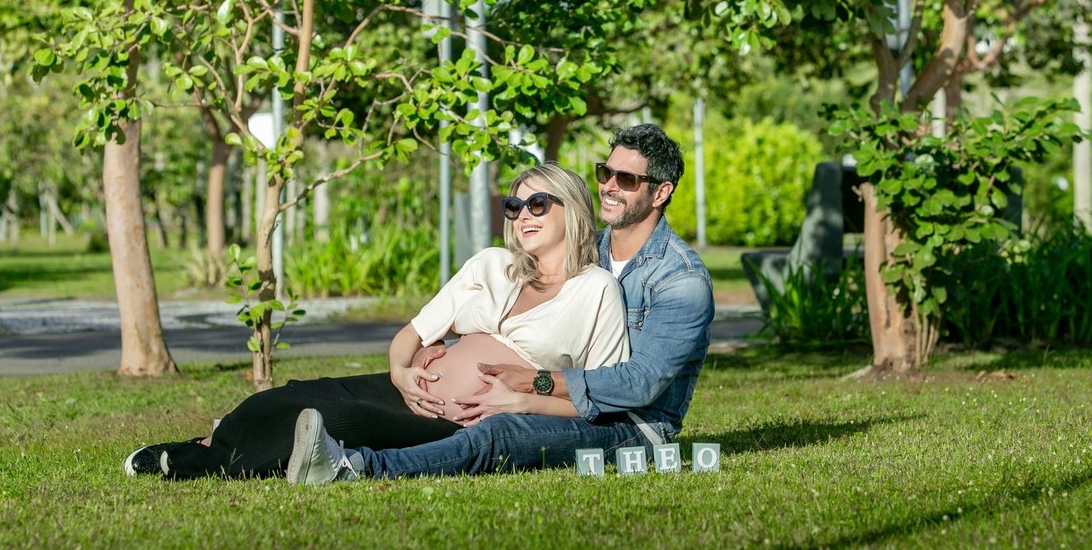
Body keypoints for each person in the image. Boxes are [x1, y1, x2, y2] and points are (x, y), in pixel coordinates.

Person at [126, 162, 629, 479]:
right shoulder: (491, 264)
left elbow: (606, 401)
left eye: (538, 204)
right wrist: (401, 372)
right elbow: (411, 335)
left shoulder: (596, 291)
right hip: (408, 389)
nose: (523, 216)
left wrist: (523, 403)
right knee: (294, 395)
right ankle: (217, 439)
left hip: (452, 421)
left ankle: (194, 460)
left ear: (573, 210)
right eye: (515, 206)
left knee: (332, 422)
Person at [286, 122, 715, 484]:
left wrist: (534, 385)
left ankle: (356, 469)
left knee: (501, 434)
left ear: (660, 193)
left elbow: (638, 385)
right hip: (533, 403)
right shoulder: (589, 250)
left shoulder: (681, 281)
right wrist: (437, 347)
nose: (608, 186)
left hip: (631, 426)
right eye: (605, 173)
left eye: (627, 180)